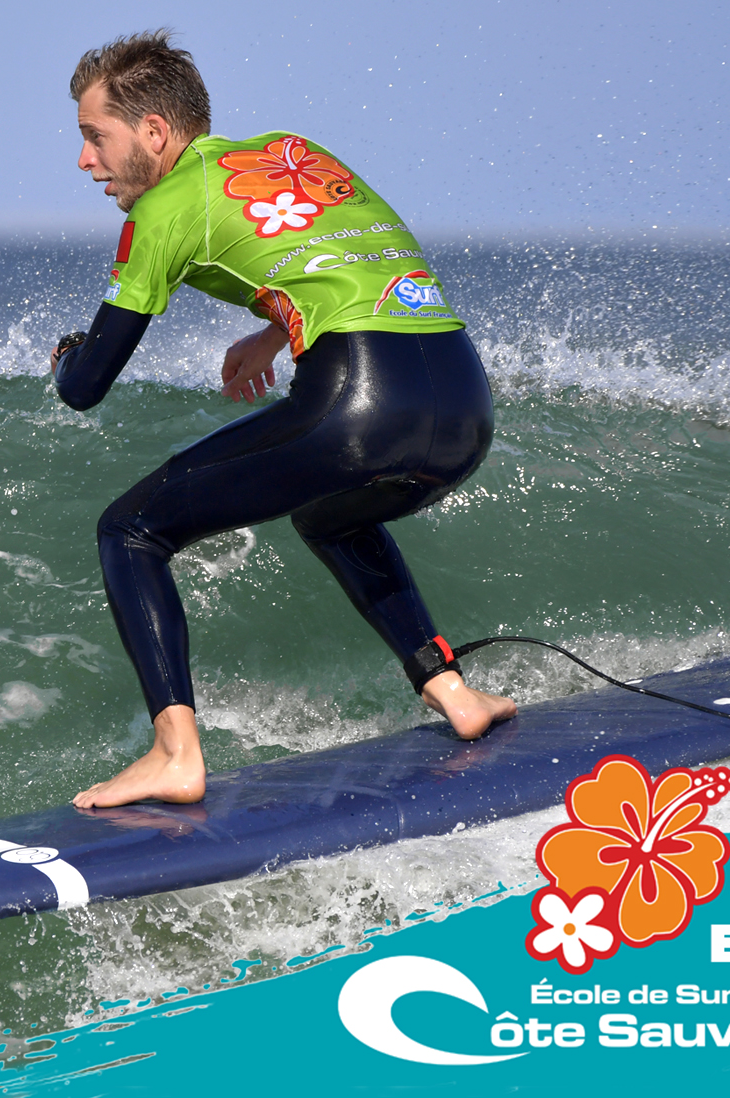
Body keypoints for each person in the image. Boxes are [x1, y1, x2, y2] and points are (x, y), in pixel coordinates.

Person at [53, 31, 517, 810]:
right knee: (331, 516)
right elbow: (341, 256)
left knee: (129, 531)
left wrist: (67, 354)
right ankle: (453, 692)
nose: (84, 160)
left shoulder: (164, 210)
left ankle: (174, 755)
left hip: (361, 399)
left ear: (154, 132)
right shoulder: (290, 152)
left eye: (95, 136)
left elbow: (87, 385)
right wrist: (273, 333)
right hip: (463, 401)